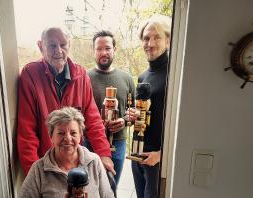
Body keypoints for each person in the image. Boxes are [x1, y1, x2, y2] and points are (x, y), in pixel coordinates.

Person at [17, 27, 114, 176]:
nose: (58, 50)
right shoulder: (30, 75)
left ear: (69, 45)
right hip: (46, 165)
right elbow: (27, 131)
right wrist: (34, 175)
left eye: (63, 45)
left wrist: (104, 154)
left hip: (74, 162)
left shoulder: (81, 75)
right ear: (41, 46)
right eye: (52, 45)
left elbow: (93, 120)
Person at [19, 107, 114, 198]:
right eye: (61, 133)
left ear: (80, 136)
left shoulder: (94, 161)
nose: (68, 139)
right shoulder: (38, 170)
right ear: (51, 136)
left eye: (73, 133)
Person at [129, 15, 172, 198]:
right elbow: (146, 114)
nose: (150, 43)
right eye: (146, 38)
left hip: (157, 159)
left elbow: (185, 122)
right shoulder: (143, 76)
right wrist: (132, 115)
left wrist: (162, 155)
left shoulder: (174, 73)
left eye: (157, 37)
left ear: (168, 40)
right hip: (138, 154)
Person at [87, 30, 135, 185]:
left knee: (112, 186)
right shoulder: (84, 78)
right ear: (93, 51)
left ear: (114, 50)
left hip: (118, 143)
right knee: (90, 188)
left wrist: (124, 120)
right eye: (99, 49)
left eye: (107, 48)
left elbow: (134, 112)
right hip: (89, 143)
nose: (103, 52)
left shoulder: (127, 79)